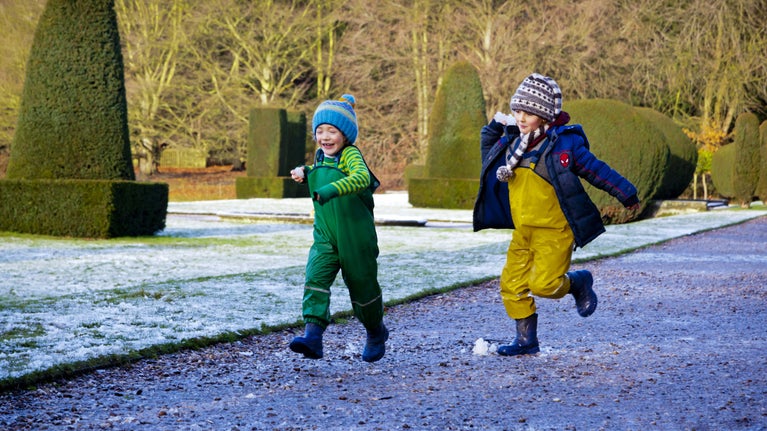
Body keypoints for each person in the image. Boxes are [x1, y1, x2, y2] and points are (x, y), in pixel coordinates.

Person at [473, 73, 640, 356]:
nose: (521, 117)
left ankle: (578, 282)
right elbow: (488, 157)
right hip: (523, 231)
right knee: (511, 284)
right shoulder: (513, 144)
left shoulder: (564, 145)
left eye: (528, 112)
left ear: (544, 115)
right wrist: (493, 128)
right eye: (518, 111)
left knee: (544, 285)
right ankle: (526, 341)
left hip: (555, 231)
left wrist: (626, 192)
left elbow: (597, 171)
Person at [288, 94, 389, 363]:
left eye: (331, 130)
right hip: (326, 234)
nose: (325, 136)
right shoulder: (321, 156)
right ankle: (313, 336)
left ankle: (376, 332)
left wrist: (330, 190)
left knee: (362, 288)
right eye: (320, 131)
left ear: (345, 135)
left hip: (355, 237)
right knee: (316, 277)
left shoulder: (351, 155)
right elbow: (319, 169)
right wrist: (305, 172)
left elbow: (361, 178)